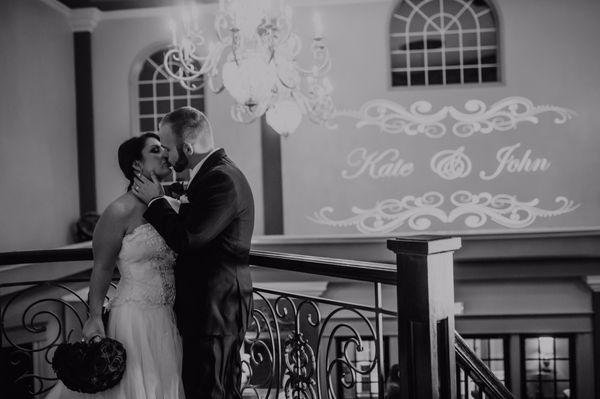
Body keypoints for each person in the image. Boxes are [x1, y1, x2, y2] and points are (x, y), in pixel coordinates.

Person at [47, 132, 185, 399]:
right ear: (136, 165)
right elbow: (101, 268)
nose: (165, 154)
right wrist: (95, 316)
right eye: (155, 150)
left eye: (164, 149)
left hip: (172, 317)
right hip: (135, 320)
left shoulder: (173, 208)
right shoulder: (118, 211)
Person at [132, 106, 255, 399]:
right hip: (209, 310)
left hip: (215, 311)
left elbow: (190, 238)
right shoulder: (209, 175)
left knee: (210, 392)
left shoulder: (221, 178)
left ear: (187, 147)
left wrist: (155, 202)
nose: (167, 156)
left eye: (169, 149)